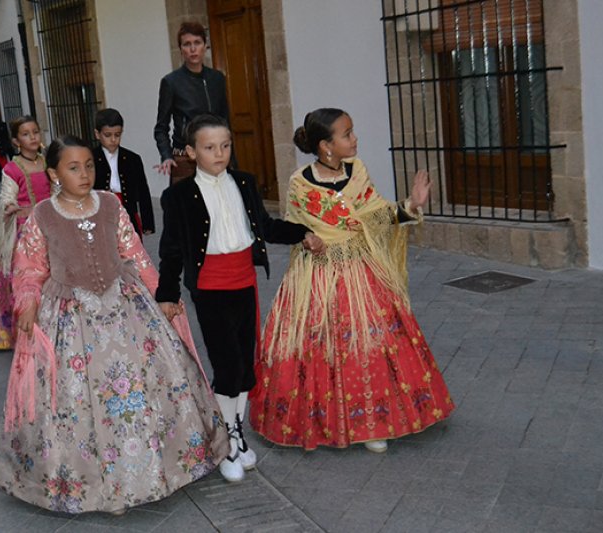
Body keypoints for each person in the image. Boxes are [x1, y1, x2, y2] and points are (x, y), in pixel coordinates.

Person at [0, 135, 228, 514]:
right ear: (54, 173)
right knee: (82, 403)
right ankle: (101, 487)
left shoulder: (109, 204)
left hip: (126, 310)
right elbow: (29, 268)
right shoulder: (42, 216)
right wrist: (27, 302)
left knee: (142, 390)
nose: (84, 174)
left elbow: (133, 251)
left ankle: (151, 471)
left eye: (88, 165)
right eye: (73, 168)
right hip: (71, 319)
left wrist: (159, 292)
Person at [249, 108, 454, 452]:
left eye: (352, 132)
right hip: (316, 278)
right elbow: (294, 225)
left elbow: (378, 217)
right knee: (322, 347)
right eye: (347, 134)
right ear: (326, 146)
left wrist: (411, 205)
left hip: (361, 272)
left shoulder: (357, 172)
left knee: (369, 346)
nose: (355, 139)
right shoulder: (300, 182)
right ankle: (319, 419)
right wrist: (305, 237)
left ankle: (373, 422)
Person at [156, 114, 325, 482]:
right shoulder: (178, 196)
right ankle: (225, 441)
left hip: (244, 283)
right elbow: (170, 250)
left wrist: (303, 233)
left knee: (245, 366)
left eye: (225, 145)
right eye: (209, 147)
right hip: (211, 288)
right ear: (190, 151)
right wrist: (167, 293)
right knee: (227, 367)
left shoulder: (245, 183)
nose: (220, 153)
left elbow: (265, 227)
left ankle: (237, 433)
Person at [0, 116, 51, 351]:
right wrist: (9, 207)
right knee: (20, 277)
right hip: (23, 231)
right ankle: (15, 329)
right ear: (16, 141)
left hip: (48, 227)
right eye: (26, 134)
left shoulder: (48, 163)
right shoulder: (12, 168)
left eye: (35, 132)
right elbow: (7, 197)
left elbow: (55, 190)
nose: (33, 137)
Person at [154, 21, 232, 185]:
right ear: (181, 49)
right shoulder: (171, 82)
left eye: (197, 43)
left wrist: (231, 156)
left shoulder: (217, 78)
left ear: (205, 46)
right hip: (185, 156)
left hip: (215, 153)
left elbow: (225, 121)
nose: (193, 49)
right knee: (187, 208)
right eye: (187, 44)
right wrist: (167, 156)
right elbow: (161, 127)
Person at [92, 108, 155, 238]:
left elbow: (143, 191)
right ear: (97, 134)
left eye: (117, 135)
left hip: (128, 211)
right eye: (108, 135)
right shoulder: (90, 158)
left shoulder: (132, 159)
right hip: (100, 214)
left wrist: (148, 223)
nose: (113, 140)